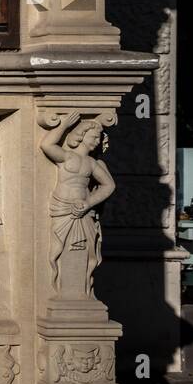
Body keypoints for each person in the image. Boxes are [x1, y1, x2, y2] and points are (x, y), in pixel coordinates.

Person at [41, 114, 115, 298]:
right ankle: (60, 291)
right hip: (62, 209)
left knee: (86, 252)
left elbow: (109, 185)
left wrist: (88, 203)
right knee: (59, 250)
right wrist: (63, 125)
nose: (97, 142)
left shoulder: (92, 163)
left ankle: (79, 295)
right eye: (94, 137)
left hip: (83, 212)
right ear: (81, 135)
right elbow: (46, 145)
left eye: (99, 138)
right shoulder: (67, 157)